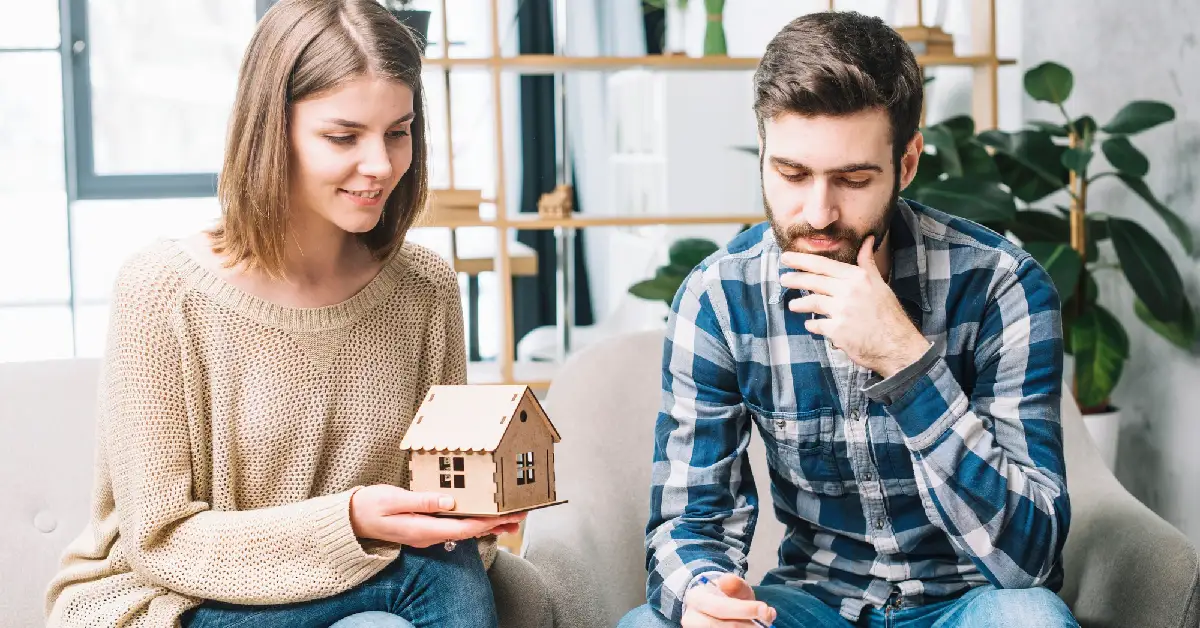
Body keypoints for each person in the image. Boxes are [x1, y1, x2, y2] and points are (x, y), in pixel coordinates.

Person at [44, 1, 525, 626]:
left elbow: (434, 501)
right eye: (343, 136)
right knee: (428, 579)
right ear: (272, 131)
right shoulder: (162, 290)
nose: (380, 165)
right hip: (170, 597)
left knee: (446, 568)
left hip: (370, 580)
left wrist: (471, 511)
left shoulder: (424, 289)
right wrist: (348, 521)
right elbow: (159, 538)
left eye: (398, 131)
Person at [619, 11, 1078, 628]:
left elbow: (1031, 561)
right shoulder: (719, 298)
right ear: (762, 152)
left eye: (853, 179)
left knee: (1033, 620)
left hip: (969, 603)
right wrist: (702, 595)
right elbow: (690, 520)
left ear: (907, 162)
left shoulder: (1002, 286)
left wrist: (905, 363)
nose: (818, 213)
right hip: (811, 603)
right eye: (791, 173)